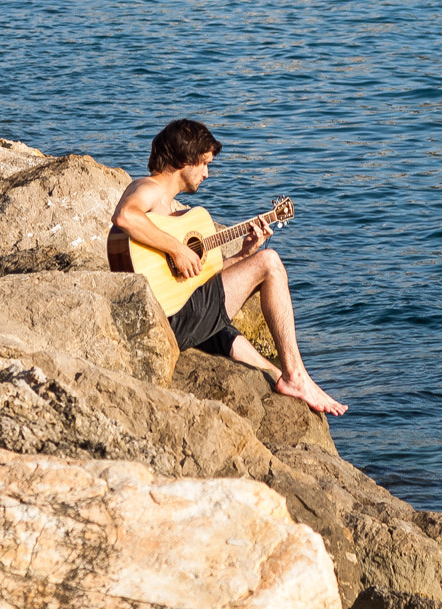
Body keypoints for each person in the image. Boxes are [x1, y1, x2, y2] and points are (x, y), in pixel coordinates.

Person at [112, 119, 347, 416]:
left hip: (178, 308)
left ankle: (279, 378)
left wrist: (245, 253)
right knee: (271, 263)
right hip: (169, 319)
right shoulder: (147, 188)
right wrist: (177, 248)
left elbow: (202, 276)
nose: (207, 174)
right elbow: (124, 217)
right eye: (205, 164)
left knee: (225, 327)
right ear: (185, 159)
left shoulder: (174, 211)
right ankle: (297, 375)